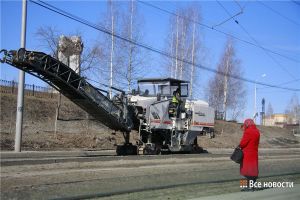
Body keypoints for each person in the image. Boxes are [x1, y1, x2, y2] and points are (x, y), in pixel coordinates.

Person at [239, 118, 260, 192]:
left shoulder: (248, 131)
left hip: (247, 154)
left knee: (246, 171)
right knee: (253, 171)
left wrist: (239, 146)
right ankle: (252, 187)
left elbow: (243, 143)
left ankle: (246, 187)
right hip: (254, 153)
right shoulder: (257, 131)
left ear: (247, 124)